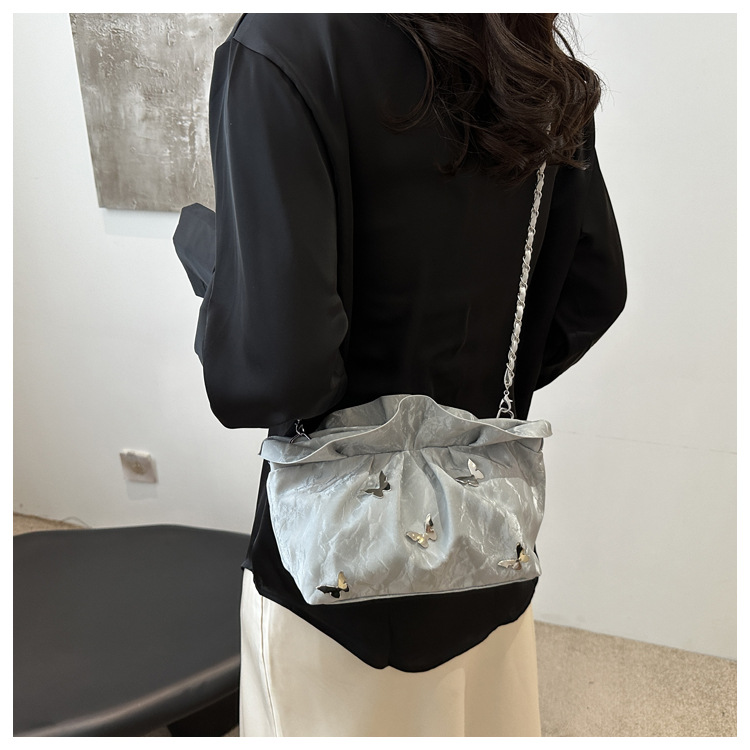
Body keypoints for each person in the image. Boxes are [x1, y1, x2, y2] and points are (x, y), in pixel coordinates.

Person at [174, 12, 626, 737]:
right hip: (484, 545)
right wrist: (469, 405)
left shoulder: (283, 45)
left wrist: (214, 266)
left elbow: (276, 372)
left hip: (332, 575)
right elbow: (592, 293)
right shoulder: (527, 55)